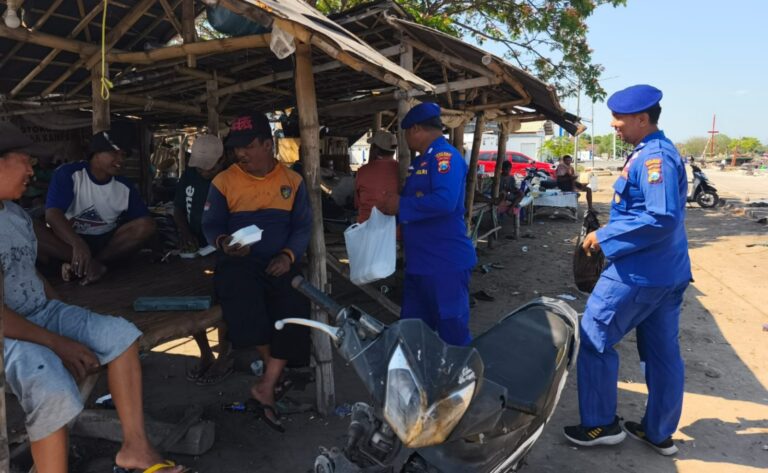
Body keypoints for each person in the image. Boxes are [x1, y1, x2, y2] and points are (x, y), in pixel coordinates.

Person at [0, 124, 185, 473]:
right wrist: (58, 343)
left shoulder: (15, 215)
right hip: (6, 332)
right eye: (24, 161)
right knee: (51, 382)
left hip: (38, 312)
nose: (31, 170)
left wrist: (58, 309)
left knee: (120, 335)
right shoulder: (67, 180)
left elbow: (28, 273)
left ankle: (136, 447)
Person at [562, 84, 691, 456]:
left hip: (638, 273)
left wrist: (605, 235)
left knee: (594, 336)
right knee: (663, 353)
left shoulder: (656, 159)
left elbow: (660, 217)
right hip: (666, 273)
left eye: (619, 118)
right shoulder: (649, 153)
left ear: (641, 119)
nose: (614, 124)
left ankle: (600, 424)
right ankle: (658, 431)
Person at [202, 112, 311, 431]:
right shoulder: (223, 182)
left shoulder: (293, 182)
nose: (242, 154)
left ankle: (266, 385)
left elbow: (302, 227)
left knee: (293, 301)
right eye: (237, 149)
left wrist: (288, 256)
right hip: (239, 261)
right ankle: (273, 375)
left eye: (249, 146)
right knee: (240, 295)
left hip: (280, 259)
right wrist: (224, 243)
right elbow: (211, 225)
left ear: (268, 144)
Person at [377, 103, 477, 346]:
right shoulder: (423, 162)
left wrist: (401, 205)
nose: (405, 140)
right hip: (420, 263)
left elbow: (445, 201)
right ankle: (423, 381)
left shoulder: (445, 157)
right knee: (413, 332)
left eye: (406, 134)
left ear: (417, 130)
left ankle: (460, 381)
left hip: (444, 263)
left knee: (451, 331)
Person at [44, 125, 156, 285]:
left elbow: (143, 223)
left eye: (123, 155)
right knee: (30, 228)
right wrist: (77, 243)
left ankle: (92, 264)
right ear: (96, 153)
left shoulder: (124, 187)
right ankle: (87, 265)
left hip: (106, 247)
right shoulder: (70, 174)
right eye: (114, 153)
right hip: (69, 244)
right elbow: (52, 214)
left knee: (147, 225)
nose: (121, 160)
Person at [171, 134, 232, 385]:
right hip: (195, 248)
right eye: (200, 166)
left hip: (222, 250)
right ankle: (205, 352)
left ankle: (224, 355)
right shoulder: (189, 176)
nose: (205, 171)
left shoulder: (232, 179)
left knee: (223, 300)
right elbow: (177, 209)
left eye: (212, 166)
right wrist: (185, 234)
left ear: (223, 160)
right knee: (193, 301)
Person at [354, 130, 399, 223]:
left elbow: (356, 203)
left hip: (367, 228)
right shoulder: (402, 170)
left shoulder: (363, 171)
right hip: (394, 230)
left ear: (375, 149)